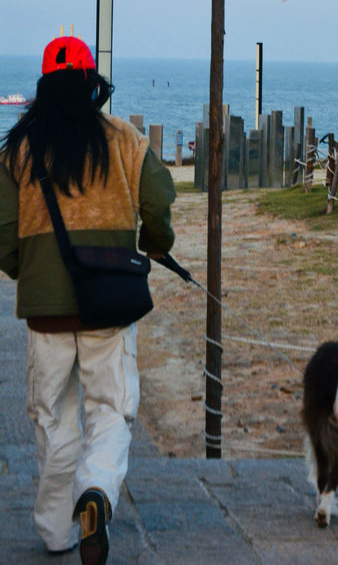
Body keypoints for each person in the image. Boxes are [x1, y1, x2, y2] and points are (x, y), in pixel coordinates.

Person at [0, 35, 176, 564]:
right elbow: (159, 200)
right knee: (110, 409)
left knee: (52, 416)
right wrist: (154, 245)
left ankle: (56, 533)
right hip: (110, 299)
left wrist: (27, 272)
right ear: (90, 82)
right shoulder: (125, 139)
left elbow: (3, 231)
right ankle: (95, 492)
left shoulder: (17, 151)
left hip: (47, 309)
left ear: (44, 86)